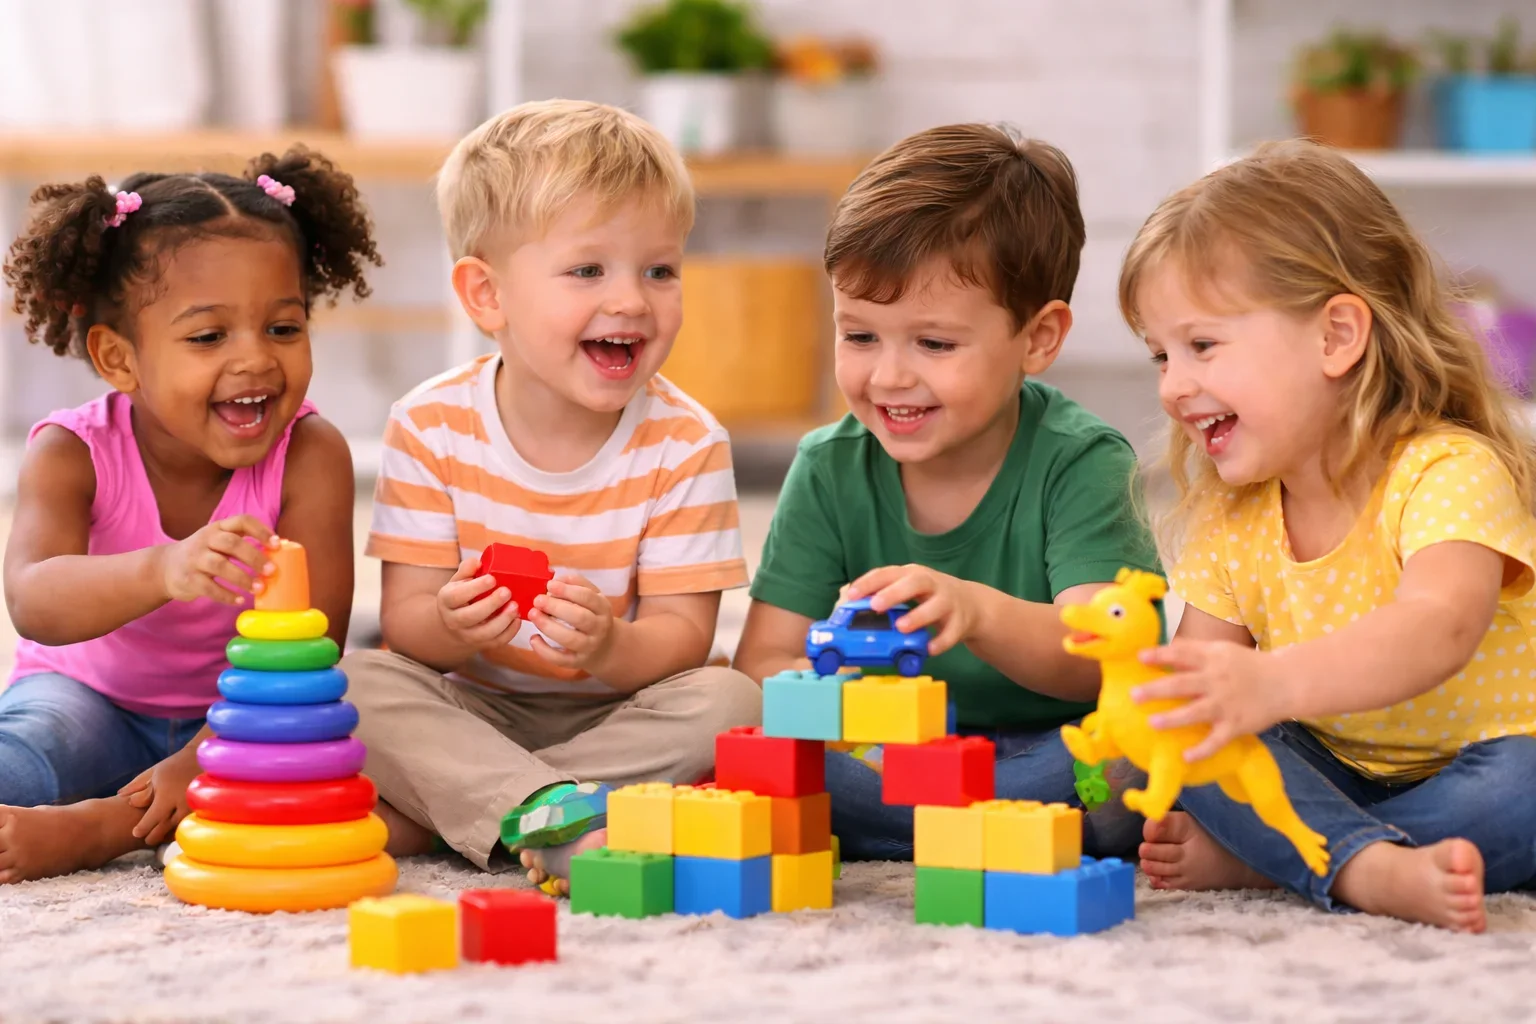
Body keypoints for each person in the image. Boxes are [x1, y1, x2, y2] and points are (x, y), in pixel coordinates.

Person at [341, 100, 760, 893]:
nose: (633, 300)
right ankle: (546, 809)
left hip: (621, 714)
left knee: (734, 699)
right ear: (486, 295)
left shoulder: (688, 441)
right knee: (358, 683)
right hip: (475, 706)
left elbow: (681, 634)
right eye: (588, 270)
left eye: (660, 270)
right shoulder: (430, 426)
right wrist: (453, 627)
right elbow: (409, 624)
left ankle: (470, 811)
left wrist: (611, 648)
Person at [1124, 138, 1536, 932]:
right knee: (1190, 742)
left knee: (1524, 787)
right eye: (1160, 356)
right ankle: (1357, 857)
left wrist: (1272, 684)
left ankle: (1295, 859)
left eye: (1202, 345)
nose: (1174, 386)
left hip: (1481, 762)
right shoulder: (1230, 511)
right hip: (1328, 767)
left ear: (1336, 337)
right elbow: (1203, 690)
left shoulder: (1445, 469)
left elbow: (1438, 626)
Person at [732, 123, 1161, 860]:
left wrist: (977, 612)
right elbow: (763, 659)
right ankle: (972, 831)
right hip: (893, 754)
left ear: (1038, 339)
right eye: (860, 336)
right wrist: (827, 696)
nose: (890, 376)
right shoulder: (828, 466)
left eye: (933, 344)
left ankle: (947, 829)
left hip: (1051, 745)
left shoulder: (1082, 461)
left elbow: (1104, 660)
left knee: (1133, 763)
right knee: (746, 735)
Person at [0, 148, 378, 881]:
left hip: (247, 720)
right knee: (33, 751)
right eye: (208, 337)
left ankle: (99, 829)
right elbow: (35, 602)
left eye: (283, 328)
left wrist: (202, 753)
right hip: (91, 700)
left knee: (354, 763)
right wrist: (162, 568)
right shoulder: (71, 453)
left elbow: (317, 648)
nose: (256, 361)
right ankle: (140, 811)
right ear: (120, 360)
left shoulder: (312, 455)